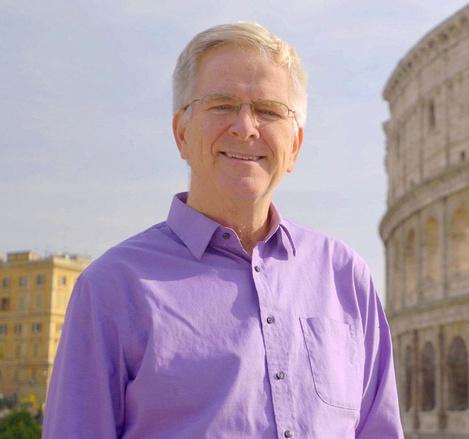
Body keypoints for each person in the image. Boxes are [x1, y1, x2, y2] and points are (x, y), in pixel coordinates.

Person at [43, 22, 403, 438]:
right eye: (222, 105)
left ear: (296, 146)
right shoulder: (111, 288)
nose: (246, 127)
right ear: (181, 133)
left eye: (269, 111)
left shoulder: (346, 277)